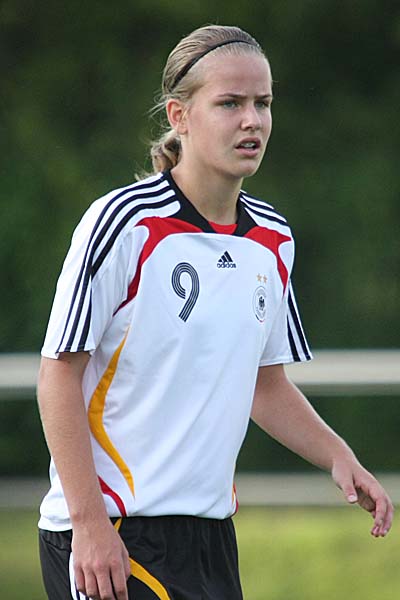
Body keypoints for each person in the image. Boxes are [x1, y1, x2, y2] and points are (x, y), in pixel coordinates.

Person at [37, 24, 393, 600]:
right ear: (179, 116)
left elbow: (264, 385)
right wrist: (88, 522)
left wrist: (339, 457)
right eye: (230, 103)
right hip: (115, 531)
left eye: (263, 103)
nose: (252, 120)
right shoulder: (124, 223)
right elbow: (57, 374)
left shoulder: (273, 238)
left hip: (210, 536)